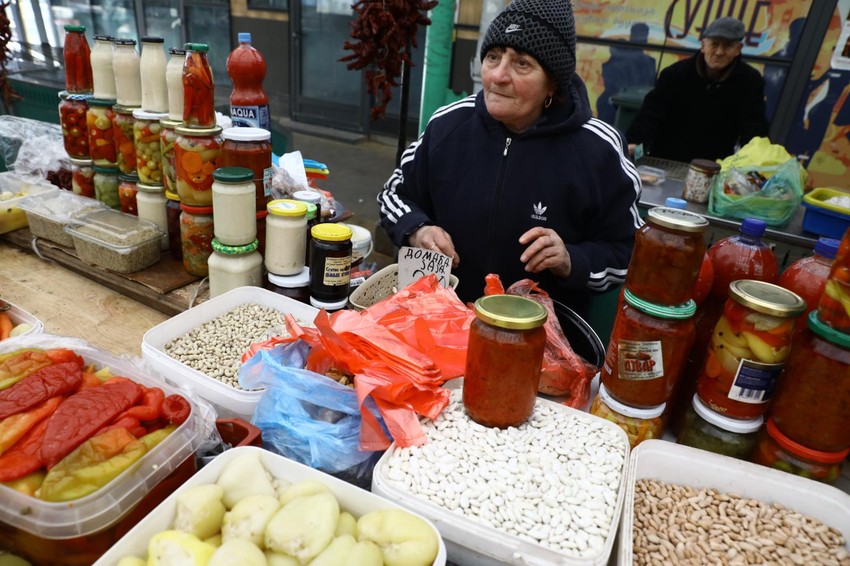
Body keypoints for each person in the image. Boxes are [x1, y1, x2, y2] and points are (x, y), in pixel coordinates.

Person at [377, 0, 642, 318]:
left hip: (543, 347)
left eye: (522, 64)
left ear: (553, 83)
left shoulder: (598, 148)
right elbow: (394, 195)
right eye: (492, 57)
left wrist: (571, 260)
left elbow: (630, 253)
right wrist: (417, 228)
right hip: (438, 325)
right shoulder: (448, 125)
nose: (498, 76)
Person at [626, 17, 769, 162]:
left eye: (727, 46)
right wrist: (636, 143)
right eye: (714, 44)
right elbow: (650, 114)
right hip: (665, 158)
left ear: (738, 49)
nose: (719, 52)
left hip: (712, 165)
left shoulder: (749, 81)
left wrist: (753, 161)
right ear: (703, 45)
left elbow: (753, 127)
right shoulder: (675, 74)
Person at [596, 22, 657, 124]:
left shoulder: (650, 62)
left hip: (634, 107)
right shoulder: (620, 57)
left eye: (643, 36)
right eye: (639, 36)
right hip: (615, 105)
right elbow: (612, 83)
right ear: (632, 36)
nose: (642, 40)